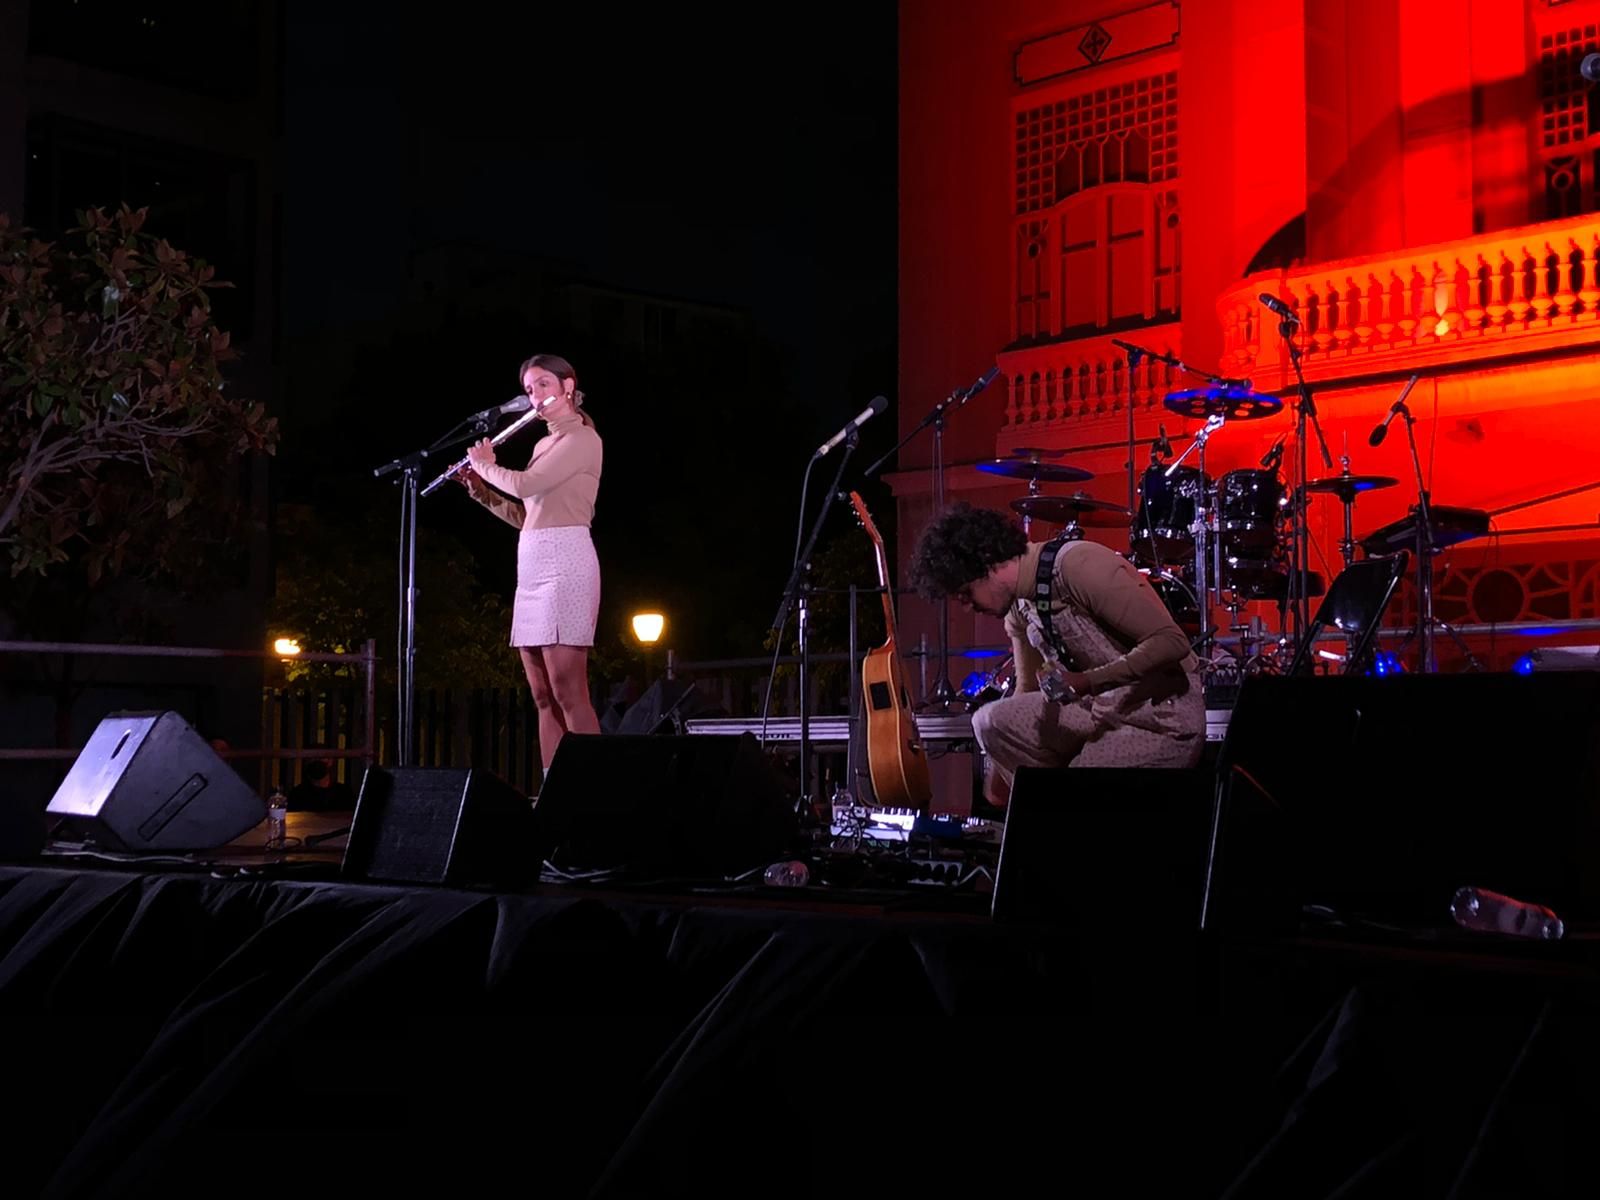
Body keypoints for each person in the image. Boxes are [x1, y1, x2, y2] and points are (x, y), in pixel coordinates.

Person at [908, 502, 1204, 807]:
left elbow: (1171, 642)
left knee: (1072, 791)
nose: (968, 607)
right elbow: (1025, 690)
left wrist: (1088, 680)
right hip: (1097, 710)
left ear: (988, 564)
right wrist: (1000, 774)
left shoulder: (1077, 566)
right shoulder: (1019, 607)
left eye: (966, 594)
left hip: (1160, 715)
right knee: (989, 720)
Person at [462, 353, 603, 772]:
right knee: (542, 696)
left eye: (543, 384)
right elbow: (528, 516)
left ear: (568, 386)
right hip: (534, 563)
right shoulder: (543, 444)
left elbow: (528, 485)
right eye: (528, 389)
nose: (535, 395)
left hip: (567, 561)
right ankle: (553, 788)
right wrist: (480, 489)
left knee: (568, 691)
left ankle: (594, 788)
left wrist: (487, 466)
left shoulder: (583, 440)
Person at [285, 744, 357, 811]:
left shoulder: (344, 793)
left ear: (330, 761)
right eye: (312, 758)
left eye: (321, 757)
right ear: (306, 761)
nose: (317, 760)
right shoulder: (297, 795)